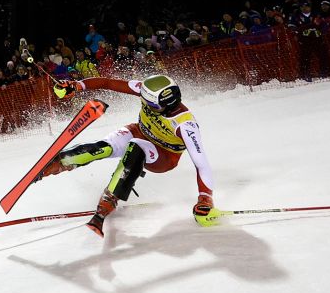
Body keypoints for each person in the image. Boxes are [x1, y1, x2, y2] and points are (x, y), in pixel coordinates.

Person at [33, 74, 217, 238]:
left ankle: (109, 200)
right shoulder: (145, 89)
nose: (149, 105)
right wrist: (77, 85)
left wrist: (205, 199)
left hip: (162, 156)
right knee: (103, 148)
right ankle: (59, 163)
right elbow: (107, 82)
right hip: (138, 131)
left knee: (137, 146)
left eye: (153, 106)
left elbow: (201, 164)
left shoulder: (186, 125)